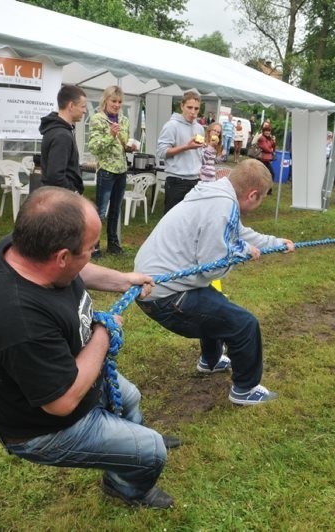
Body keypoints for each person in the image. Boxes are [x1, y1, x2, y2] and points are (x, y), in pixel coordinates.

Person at [0, 187, 177, 509]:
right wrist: (103, 332)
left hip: (67, 373)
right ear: (62, 257)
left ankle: (129, 452)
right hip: (39, 427)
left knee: (130, 398)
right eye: (92, 247)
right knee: (153, 451)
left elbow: (81, 268)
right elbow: (62, 402)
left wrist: (122, 280)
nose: (93, 252)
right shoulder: (17, 318)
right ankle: (127, 485)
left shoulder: (26, 247)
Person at [134, 159, 295, 405]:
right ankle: (246, 390)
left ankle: (210, 361)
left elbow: (238, 234)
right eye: (262, 198)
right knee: (244, 325)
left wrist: (275, 242)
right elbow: (211, 265)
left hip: (154, 286)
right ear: (253, 195)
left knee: (217, 304)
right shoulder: (222, 206)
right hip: (164, 295)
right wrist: (242, 252)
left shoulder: (218, 194)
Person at [88, 86, 133, 257]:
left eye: (120, 102)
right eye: (113, 101)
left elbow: (124, 144)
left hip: (121, 169)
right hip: (106, 170)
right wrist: (110, 136)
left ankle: (113, 244)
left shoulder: (124, 119)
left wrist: (130, 146)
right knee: (100, 211)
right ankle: (94, 246)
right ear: (105, 100)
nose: (117, 104)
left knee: (115, 209)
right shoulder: (98, 119)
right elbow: (94, 147)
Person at [156, 91, 206, 214]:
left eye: (196, 108)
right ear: (182, 106)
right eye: (189, 107)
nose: (193, 112)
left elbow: (198, 154)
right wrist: (186, 147)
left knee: (191, 221)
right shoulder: (171, 125)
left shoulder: (199, 128)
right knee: (172, 221)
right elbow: (161, 152)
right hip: (177, 181)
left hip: (195, 180)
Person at [39, 85, 87, 194]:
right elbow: (55, 176)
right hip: (60, 198)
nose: (85, 111)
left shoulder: (58, 130)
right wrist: (73, 192)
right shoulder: (62, 135)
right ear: (71, 106)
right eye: (83, 106)